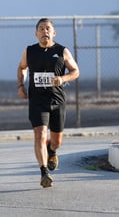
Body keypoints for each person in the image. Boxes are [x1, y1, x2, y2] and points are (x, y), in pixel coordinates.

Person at [17, 18, 80, 188]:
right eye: (41, 29)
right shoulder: (30, 51)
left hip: (57, 100)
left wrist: (63, 78)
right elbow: (22, 67)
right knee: (40, 134)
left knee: (57, 141)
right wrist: (21, 85)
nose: (44, 31)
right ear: (36, 33)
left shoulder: (62, 51)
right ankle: (44, 172)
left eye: (48, 28)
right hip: (37, 100)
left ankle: (52, 151)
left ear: (53, 32)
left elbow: (75, 71)